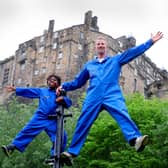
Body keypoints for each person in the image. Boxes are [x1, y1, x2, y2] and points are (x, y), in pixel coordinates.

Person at [57, 32, 164, 164]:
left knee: (122, 113)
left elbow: (133, 52)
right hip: (93, 96)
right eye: (98, 44)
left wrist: (150, 42)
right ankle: (71, 152)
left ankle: (135, 139)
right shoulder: (89, 65)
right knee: (83, 121)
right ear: (96, 47)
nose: (101, 45)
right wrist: (64, 87)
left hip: (112, 94)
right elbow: (77, 82)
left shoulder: (115, 60)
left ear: (106, 48)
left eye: (103, 44)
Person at [1, 74, 72, 164]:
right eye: (49, 80)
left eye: (54, 80)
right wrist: (16, 89)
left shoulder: (60, 92)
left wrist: (62, 99)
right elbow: (30, 91)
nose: (51, 81)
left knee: (61, 136)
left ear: (58, 83)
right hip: (40, 117)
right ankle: (12, 147)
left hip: (53, 119)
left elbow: (69, 103)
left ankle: (55, 156)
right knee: (27, 130)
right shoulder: (42, 91)